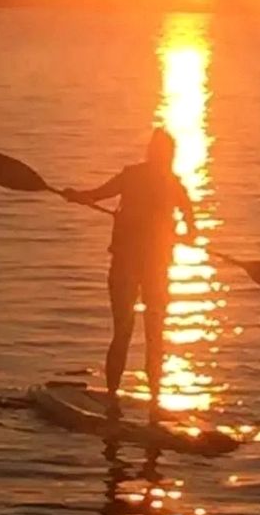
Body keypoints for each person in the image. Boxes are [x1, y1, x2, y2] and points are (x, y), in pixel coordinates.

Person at [62, 128, 195, 421]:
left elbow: (95, 195)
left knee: (135, 333)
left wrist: (77, 197)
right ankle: (137, 401)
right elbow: (190, 221)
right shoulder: (163, 181)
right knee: (141, 333)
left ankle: (133, 401)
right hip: (139, 268)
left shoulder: (155, 180)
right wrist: (185, 233)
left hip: (143, 268)